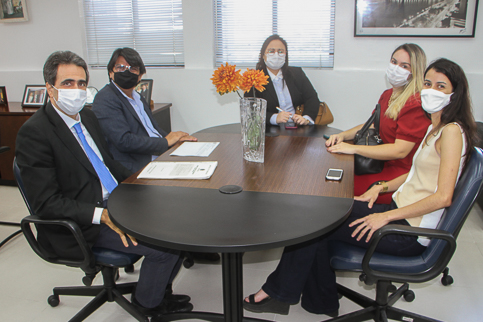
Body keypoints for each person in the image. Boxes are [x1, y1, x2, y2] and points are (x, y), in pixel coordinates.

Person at [243, 58, 477, 316]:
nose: (432, 90)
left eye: (441, 86)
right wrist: (382, 187)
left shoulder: (452, 132)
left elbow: (443, 197)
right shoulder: (436, 126)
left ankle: (279, 294)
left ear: (455, 94)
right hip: (400, 210)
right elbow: (417, 173)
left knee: (314, 222)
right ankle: (319, 301)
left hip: (408, 232)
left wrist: (384, 216)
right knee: (319, 213)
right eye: (428, 83)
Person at [15, 51, 193, 318]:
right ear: (49, 89)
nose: (76, 90)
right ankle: (148, 305)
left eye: (81, 83)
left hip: (116, 199)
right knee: (165, 247)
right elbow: (46, 203)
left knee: (178, 225)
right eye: (67, 83)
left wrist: (141, 182)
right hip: (85, 220)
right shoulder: (35, 133)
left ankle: (159, 292)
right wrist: (102, 215)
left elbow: (108, 163)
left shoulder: (86, 117)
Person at [326, 44, 431, 204]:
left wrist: (353, 148)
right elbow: (372, 125)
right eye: (394, 62)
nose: (396, 68)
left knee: (338, 187)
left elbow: (400, 151)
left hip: (400, 174)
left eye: (404, 66)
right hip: (379, 163)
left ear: (414, 72)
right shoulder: (388, 94)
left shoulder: (414, 103)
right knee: (334, 176)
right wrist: (342, 135)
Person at [92, 47, 197, 173]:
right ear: (110, 72)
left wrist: (174, 139)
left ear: (140, 76)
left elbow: (153, 129)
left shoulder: (137, 97)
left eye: (133, 69)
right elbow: (124, 141)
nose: (126, 72)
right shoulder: (105, 98)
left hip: (157, 156)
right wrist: (165, 142)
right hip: (135, 167)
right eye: (120, 67)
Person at [245, 34, 320, 126]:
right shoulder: (254, 79)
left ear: (285, 55)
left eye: (280, 51)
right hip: (269, 131)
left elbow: (312, 98)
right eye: (271, 51)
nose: (276, 55)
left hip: (297, 128)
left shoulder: (297, 73)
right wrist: (274, 118)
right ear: (263, 55)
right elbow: (250, 110)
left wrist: (306, 118)